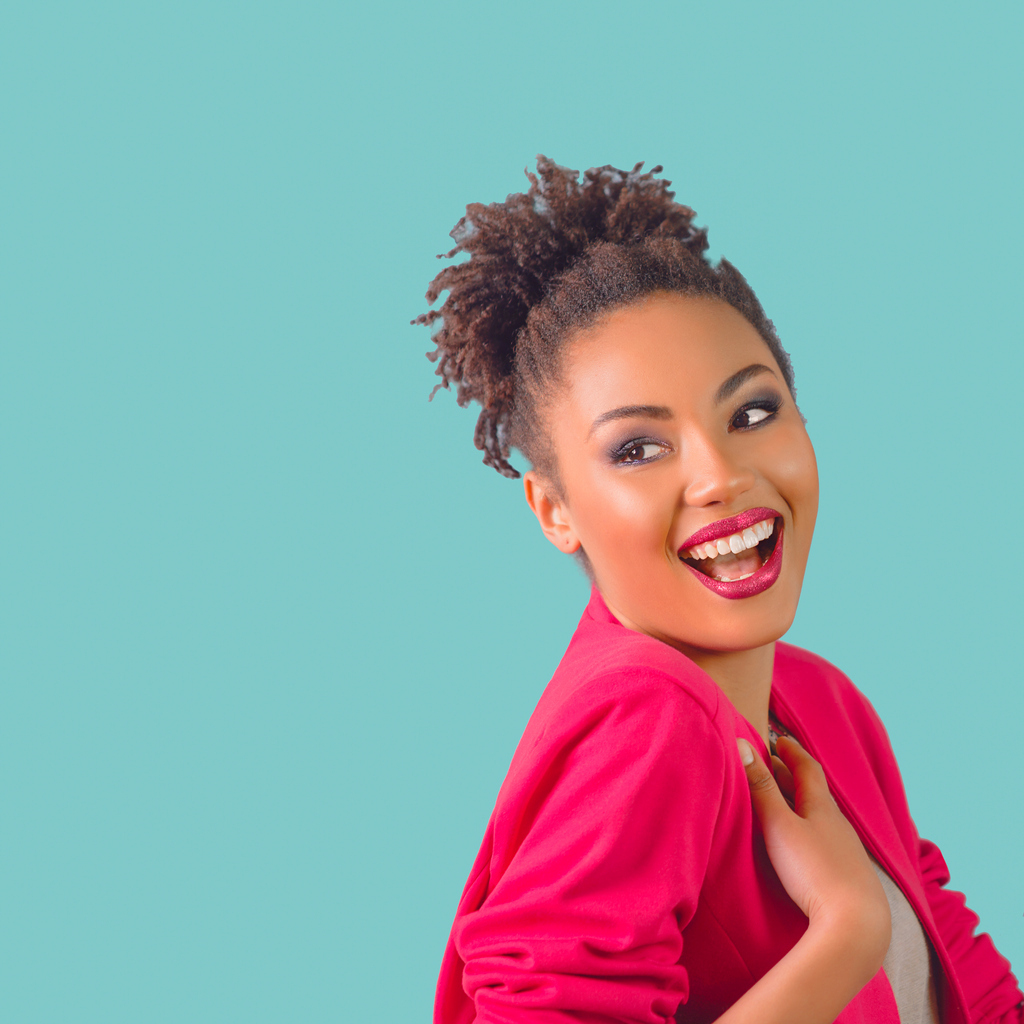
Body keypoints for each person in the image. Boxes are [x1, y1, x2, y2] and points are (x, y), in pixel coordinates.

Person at [414, 157, 1023, 1023]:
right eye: (637, 448)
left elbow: (964, 978)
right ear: (555, 510)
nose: (719, 476)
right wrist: (843, 936)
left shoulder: (823, 702)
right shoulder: (646, 721)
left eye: (751, 413)